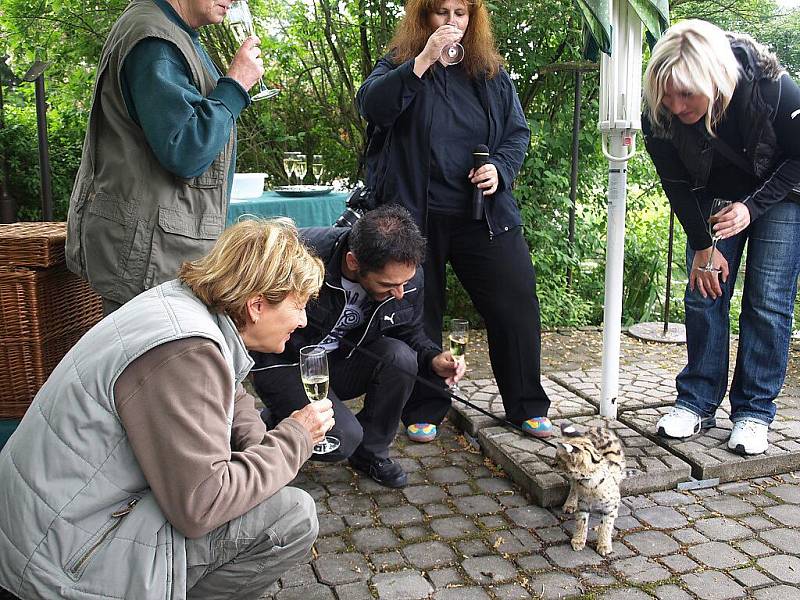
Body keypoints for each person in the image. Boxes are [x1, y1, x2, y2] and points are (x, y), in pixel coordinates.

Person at [0, 220, 332, 599]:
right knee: (292, 516)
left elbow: (230, 387)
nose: (304, 320)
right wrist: (295, 440)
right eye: (299, 305)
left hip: (47, 527)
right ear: (256, 305)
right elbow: (202, 506)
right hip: (59, 559)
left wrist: (260, 448)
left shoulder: (183, 305)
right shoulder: (186, 351)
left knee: (265, 493)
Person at [355, 0, 552, 443]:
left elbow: (517, 133)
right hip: (412, 217)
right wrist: (423, 60)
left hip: (481, 214)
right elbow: (372, 107)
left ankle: (526, 405)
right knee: (419, 312)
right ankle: (425, 405)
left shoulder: (489, 73)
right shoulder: (399, 65)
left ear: (473, 19)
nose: (451, 22)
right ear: (422, 18)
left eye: (460, 13)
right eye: (440, 12)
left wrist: (500, 168)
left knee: (515, 302)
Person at [642, 20, 800, 455]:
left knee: (767, 302)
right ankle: (696, 401)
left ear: (713, 76)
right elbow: (675, 182)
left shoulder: (772, 87)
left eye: (686, 93)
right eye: (667, 94)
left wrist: (752, 207)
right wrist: (701, 245)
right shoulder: (659, 108)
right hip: (716, 194)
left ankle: (753, 413)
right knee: (704, 291)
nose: (675, 105)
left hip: (784, 194)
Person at [65, 0, 265, 315]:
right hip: (147, 258)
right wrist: (236, 86)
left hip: (152, 252)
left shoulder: (169, 30)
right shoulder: (156, 42)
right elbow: (185, 150)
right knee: (153, 363)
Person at [250, 205, 464, 488]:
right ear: (353, 262)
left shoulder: (406, 272)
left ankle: (371, 453)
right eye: (388, 284)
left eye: (405, 283)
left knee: (401, 357)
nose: (400, 293)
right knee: (341, 441)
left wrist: (435, 359)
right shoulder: (301, 256)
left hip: (339, 364)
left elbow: (410, 333)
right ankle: (275, 423)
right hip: (285, 363)